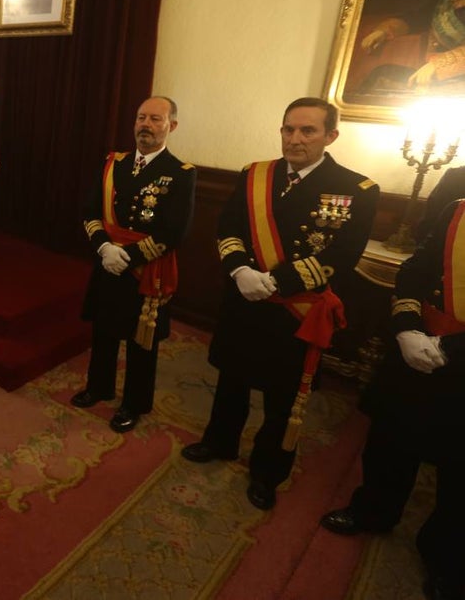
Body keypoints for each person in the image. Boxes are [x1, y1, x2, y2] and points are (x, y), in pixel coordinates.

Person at [181, 98, 379, 511]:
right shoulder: (256, 175)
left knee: (282, 396)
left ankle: (268, 471)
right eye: (288, 129)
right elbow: (229, 226)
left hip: (295, 308)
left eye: (307, 131)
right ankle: (220, 442)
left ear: (331, 136)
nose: (295, 139)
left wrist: (275, 281)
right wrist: (239, 271)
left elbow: (341, 256)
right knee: (232, 379)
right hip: (244, 296)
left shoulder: (356, 188)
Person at [319, 197, 464, 600]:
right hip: (417, 348)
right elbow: (415, 272)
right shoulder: (458, 209)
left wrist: (450, 350)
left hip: (459, 361)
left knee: (459, 470)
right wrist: (406, 329)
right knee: (389, 440)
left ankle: (445, 557)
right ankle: (373, 510)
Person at [70, 97, 196, 433]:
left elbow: (175, 231)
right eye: (141, 117)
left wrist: (128, 256)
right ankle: (99, 386)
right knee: (104, 328)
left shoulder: (181, 174)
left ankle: (134, 403)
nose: (146, 125)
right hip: (107, 260)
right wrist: (104, 249)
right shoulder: (115, 163)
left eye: (156, 119)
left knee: (142, 341)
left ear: (172, 126)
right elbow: (91, 211)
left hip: (145, 268)